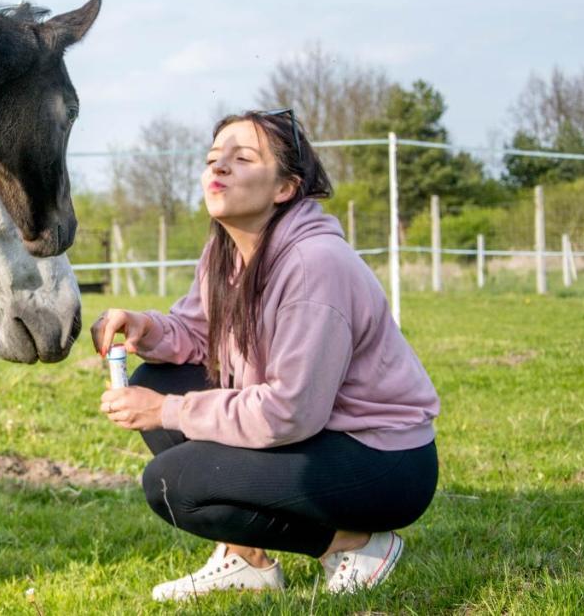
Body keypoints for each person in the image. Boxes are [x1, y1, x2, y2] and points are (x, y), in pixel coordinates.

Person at [94, 110, 439, 602]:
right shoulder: (226, 253)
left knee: (175, 483)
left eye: (242, 159)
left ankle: (354, 544)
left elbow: (289, 412)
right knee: (160, 375)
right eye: (213, 159)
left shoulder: (314, 265)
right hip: (316, 434)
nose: (219, 168)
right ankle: (246, 559)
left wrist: (167, 411)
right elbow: (195, 334)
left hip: (381, 460)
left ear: (285, 188)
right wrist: (146, 328)